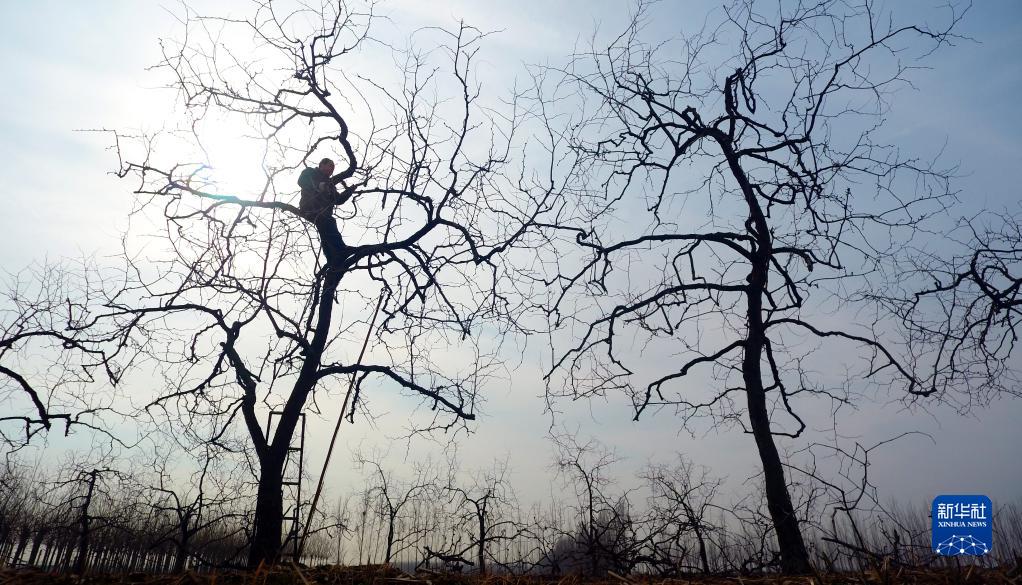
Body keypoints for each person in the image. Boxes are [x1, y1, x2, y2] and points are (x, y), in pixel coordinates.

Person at [297, 158, 351, 264]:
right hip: (309, 207)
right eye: (330, 166)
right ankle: (341, 249)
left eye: (333, 168)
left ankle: (331, 259)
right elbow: (301, 181)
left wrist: (348, 192)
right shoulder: (310, 172)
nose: (331, 170)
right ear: (321, 164)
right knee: (329, 222)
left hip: (323, 212)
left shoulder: (329, 184)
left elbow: (338, 200)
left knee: (325, 232)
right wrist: (318, 185)